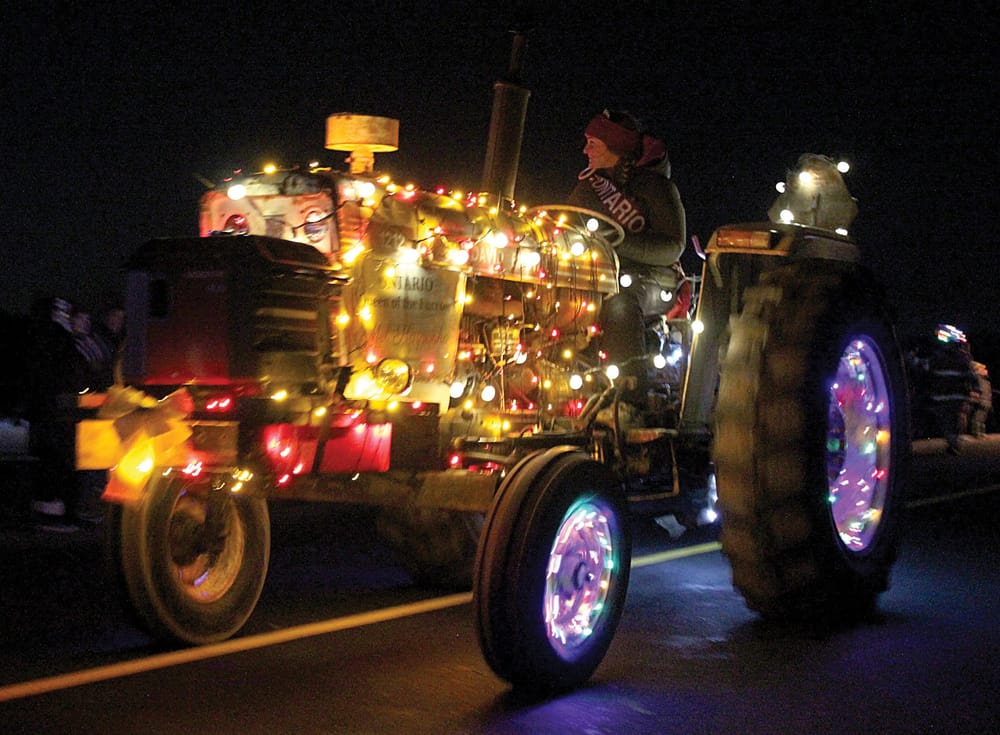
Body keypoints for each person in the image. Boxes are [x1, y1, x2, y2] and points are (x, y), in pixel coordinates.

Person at [568, 110, 689, 396]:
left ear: (615, 148)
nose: (585, 150)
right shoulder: (588, 188)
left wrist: (617, 245)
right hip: (599, 278)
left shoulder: (656, 187)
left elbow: (674, 246)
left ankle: (629, 398)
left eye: (593, 143)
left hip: (652, 282)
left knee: (619, 304)